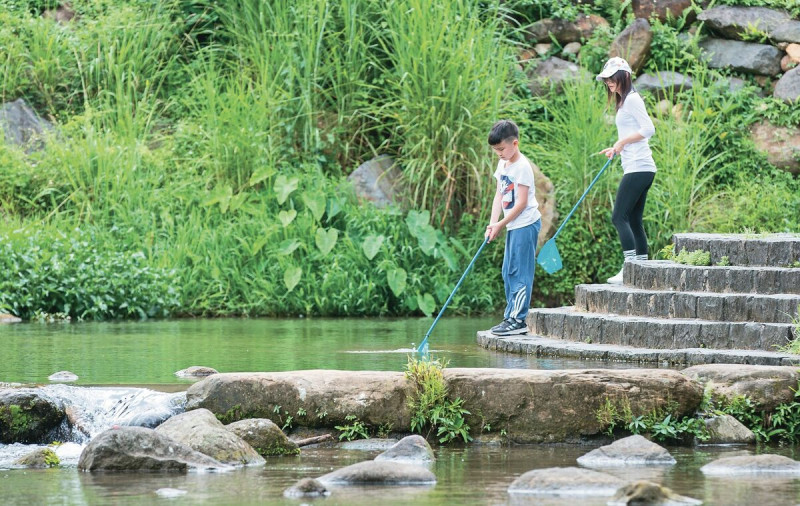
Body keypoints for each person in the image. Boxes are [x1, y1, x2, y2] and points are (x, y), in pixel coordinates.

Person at [597, 57, 656, 285]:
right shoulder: (624, 101)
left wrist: (622, 143)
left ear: (624, 76)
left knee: (618, 216)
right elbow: (633, 134)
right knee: (633, 219)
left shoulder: (631, 100)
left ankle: (630, 268)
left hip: (638, 168)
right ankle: (641, 269)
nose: (609, 82)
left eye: (612, 77)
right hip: (640, 166)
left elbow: (648, 129)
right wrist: (617, 147)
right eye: (606, 79)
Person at [485, 120, 542, 336]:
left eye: (501, 149)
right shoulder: (504, 164)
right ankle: (510, 315)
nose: (498, 153)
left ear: (515, 143)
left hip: (525, 224)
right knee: (507, 270)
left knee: (520, 272)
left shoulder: (523, 167)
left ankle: (518, 320)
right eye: (495, 150)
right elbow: (499, 194)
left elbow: (522, 203)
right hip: (512, 226)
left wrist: (501, 224)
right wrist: (493, 223)